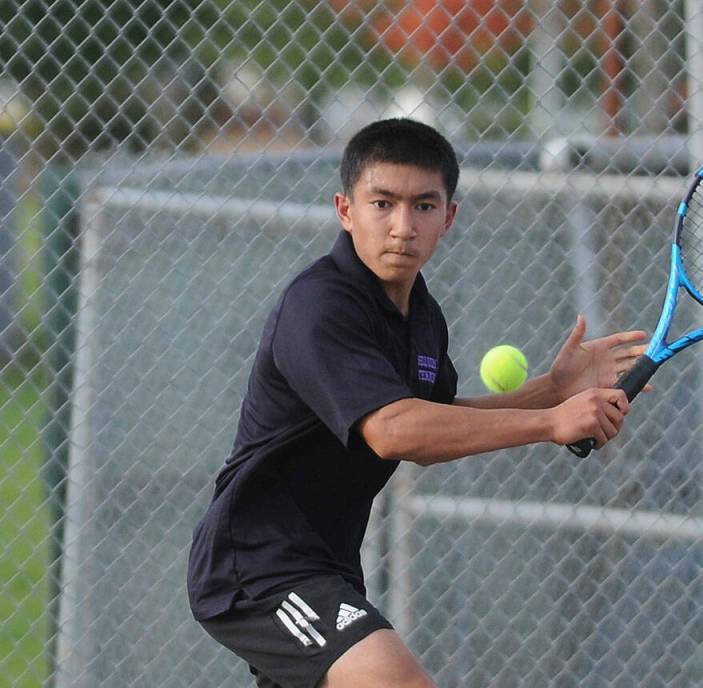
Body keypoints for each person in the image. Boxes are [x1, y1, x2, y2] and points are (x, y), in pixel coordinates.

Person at [187, 118, 647, 688]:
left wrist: (552, 390)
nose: (402, 226)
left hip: (326, 565)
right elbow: (395, 432)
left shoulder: (422, 316)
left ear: (448, 217)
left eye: (423, 207)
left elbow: (438, 427)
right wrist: (550, 421)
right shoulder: (320, 305)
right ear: (345, 209)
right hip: (258, 565)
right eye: (382, 203)